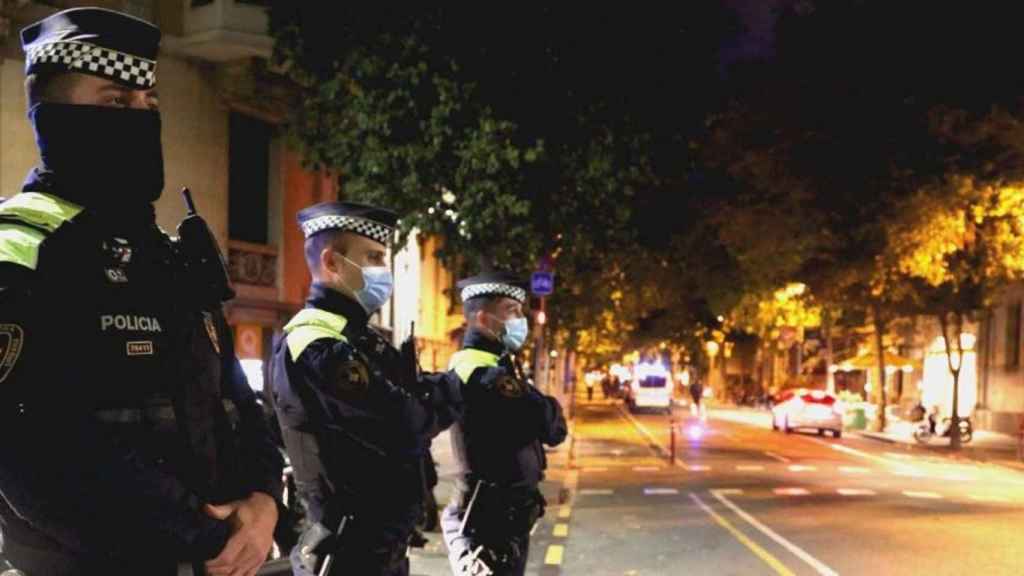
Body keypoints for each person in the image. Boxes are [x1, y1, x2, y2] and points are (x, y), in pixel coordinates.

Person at [0, 8, 284, 576]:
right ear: (53, 116)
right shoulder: (22, 250)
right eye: (115, 102)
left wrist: (263, 502)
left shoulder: (170, 255)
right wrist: (208, 537)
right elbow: (33, 451)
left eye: (149, 103)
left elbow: (236, 402)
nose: (142, 117)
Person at [270, 201, 464, 576]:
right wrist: (442, 397)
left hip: (381, 549)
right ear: (332, 263)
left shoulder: (359, 340)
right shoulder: (316, 344)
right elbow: (408, 420)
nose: (383, 271)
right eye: (373, 258)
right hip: (348, 553)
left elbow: (413, 399)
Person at [442, 272, 568, 576]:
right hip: (488, 522)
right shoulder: (482, 374)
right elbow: (552, 427)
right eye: (511, 310)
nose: (520, 319)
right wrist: (544, 405)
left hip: (501, 519)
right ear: (484, 320)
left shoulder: (495, 366)